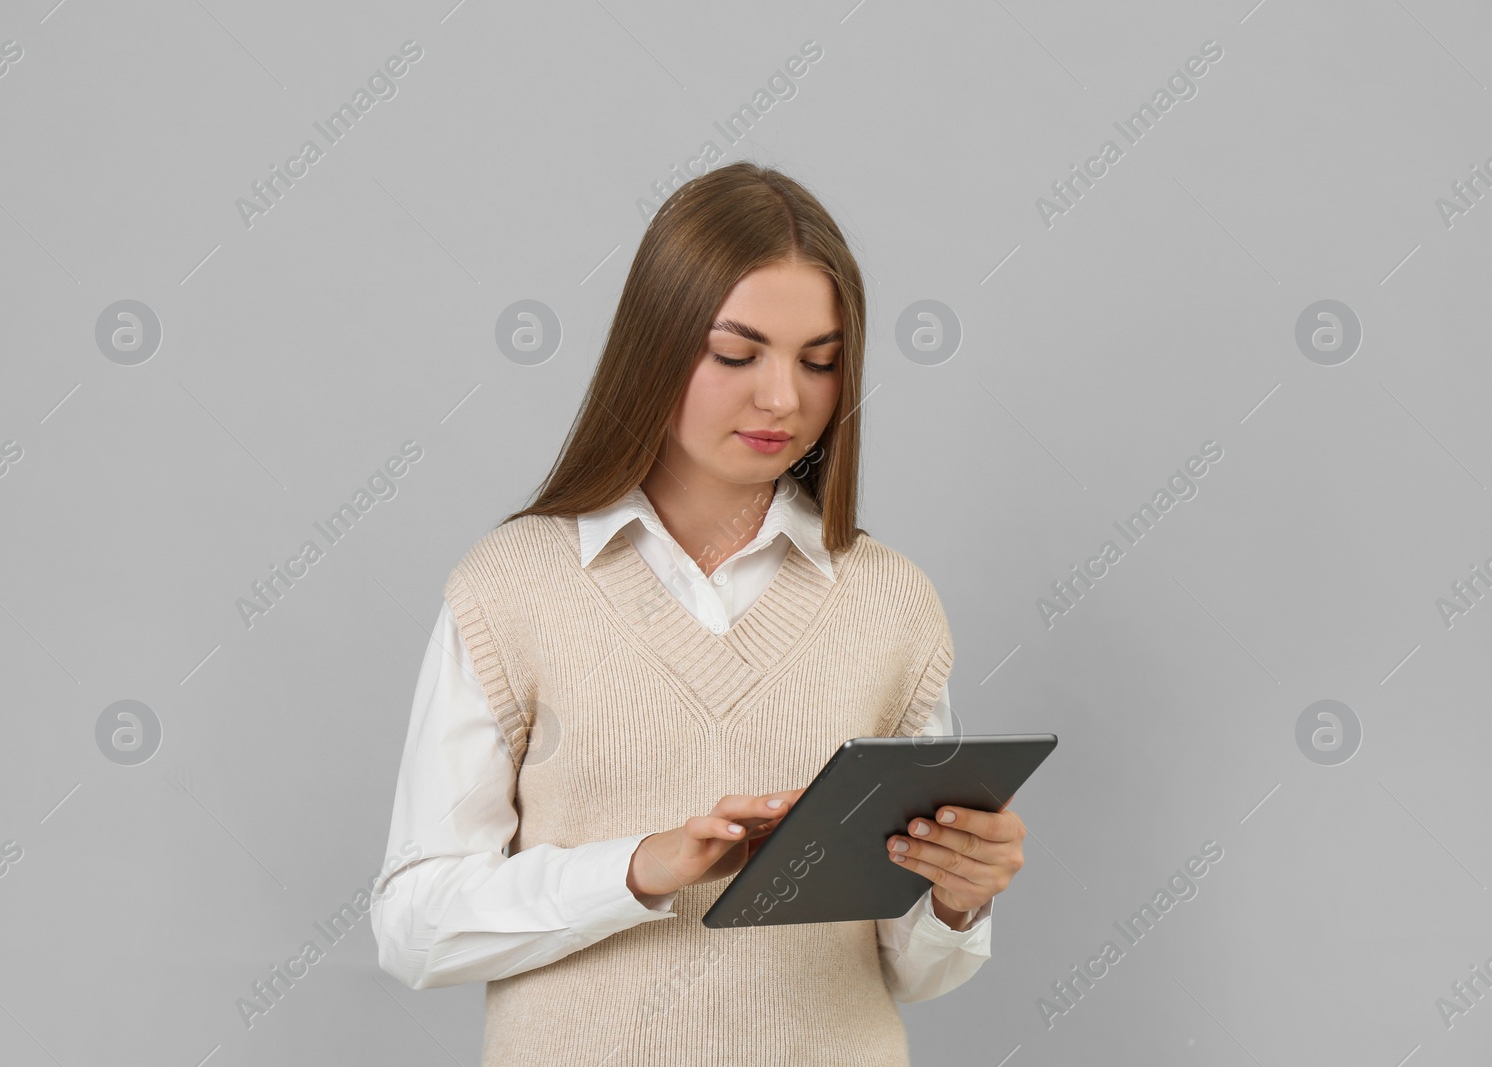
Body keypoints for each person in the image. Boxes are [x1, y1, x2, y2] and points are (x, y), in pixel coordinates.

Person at [370, 161, 1027, 1066]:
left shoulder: (891, 603)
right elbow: (411, 926)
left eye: (821, 362)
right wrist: (639, 869)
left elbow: (914, 970)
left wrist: (958, 898)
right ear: (656, 346)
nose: (783, 399)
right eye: (737, 353)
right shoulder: (511, 587)